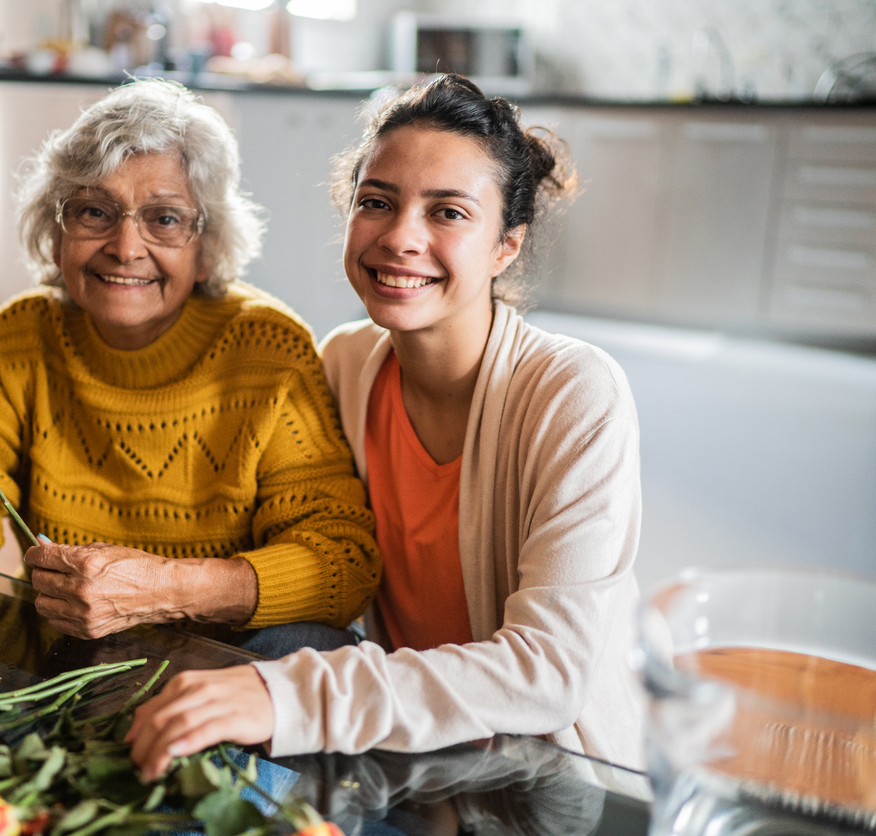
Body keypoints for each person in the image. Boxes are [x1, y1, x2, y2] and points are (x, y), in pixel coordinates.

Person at [125, 74, 645, 773]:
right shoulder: (342, 362)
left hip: (547, 775)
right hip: (407, 748)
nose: (400, 237)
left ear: (506, 247)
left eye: (448, 213)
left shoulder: (571, 392)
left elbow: (544, 674)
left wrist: (285, 699)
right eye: (377, 202)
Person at [0, 79, 380, 650]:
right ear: (56, 232)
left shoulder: (269, 352)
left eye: (165, 219)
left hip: (229, 665)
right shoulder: (14, 343)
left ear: (206, 245)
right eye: (95, 211)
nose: (125, 247)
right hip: (75, 658)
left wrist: (166, 588)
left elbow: (341, 565)